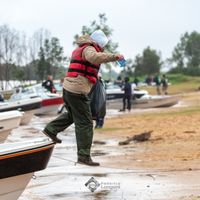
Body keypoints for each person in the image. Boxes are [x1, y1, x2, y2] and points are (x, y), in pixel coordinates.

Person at [42, 30, 124, 166]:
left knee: (73, 115)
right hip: (77, 91)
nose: (103, 48)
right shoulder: (89, 49)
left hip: (68, 89)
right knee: (85, 123)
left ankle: (51, 129)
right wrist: (116, 56)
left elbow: (84, 66)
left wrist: (94, 76)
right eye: (102, 45)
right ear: (98, 43)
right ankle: (84, 156)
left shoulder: (80, 48)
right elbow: (94, 58)